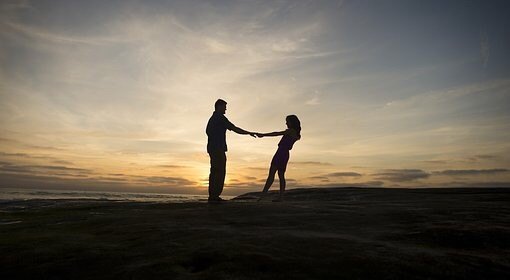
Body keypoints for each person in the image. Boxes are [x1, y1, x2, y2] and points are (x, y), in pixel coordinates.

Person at [206, 99, 256, 202]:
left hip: (213, 148)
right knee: (219, 171)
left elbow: (207, 131)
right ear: (219, 107)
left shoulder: (213, 118)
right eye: (224, 107)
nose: (226, 109)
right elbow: (234, 128)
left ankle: (213, 196)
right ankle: (214, 196)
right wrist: (248, 132)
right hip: (217, 148)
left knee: (215, 171)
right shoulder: (220, 118)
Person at [257, 115, 301, 202]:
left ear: (292, 122)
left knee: (271, 175)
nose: (286, 123)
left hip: (280, 153)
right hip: (285, 154)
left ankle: (263, 196)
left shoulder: (291, 131)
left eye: (287, 121)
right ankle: (281, 197)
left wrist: (263, 135)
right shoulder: (296, 133)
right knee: (281, 176)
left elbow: (276, 133)